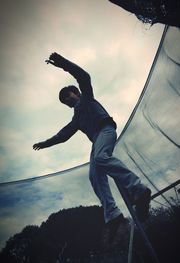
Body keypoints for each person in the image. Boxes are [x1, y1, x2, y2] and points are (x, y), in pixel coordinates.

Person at [33, 53, 151, 240]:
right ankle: (113, 215)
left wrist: (63, 63)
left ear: (77, 93)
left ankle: (139, 190)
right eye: (64, 100)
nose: (67, 100)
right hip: (96, 139)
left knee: (100, 158)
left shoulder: (87, 98)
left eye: (68, 95)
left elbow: (83, 77)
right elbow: (62, 136)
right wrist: (44, 144)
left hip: (105, 130)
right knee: (94, 175)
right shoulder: (77, 118)